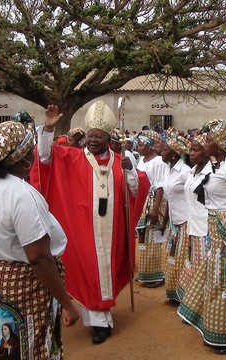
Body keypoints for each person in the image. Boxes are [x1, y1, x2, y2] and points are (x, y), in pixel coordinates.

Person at [0, 120, 79, 359]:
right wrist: (67, 303)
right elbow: (39, 258)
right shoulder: (21, 195)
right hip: (21, 284)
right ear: (24, 159)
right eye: (31, 147)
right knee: (29, 345)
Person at [35, 102, 148, 344]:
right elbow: (45, 157)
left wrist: (130, 171)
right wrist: (47, 129)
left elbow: (136, 189)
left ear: (109, 138)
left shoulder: (121, 160)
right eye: (90, 135)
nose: (93, 140)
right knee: (88, 270)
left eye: (99, 136)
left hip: (113, 231)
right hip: (83, 229)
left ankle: (101, 315)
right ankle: (99, 322)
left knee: (106, 270)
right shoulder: (72, 157)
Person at [178, 119, 226, 355]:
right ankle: (215, 328)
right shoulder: (218, 165)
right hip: (216, 227)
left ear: (220, 146)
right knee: (216, 278)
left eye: (210, 140)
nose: (206, 142)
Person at [177, 135, 211, 301]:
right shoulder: (192, 172)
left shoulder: (211, 174)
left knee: (203, 270)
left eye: (196, 150)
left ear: (207, 152)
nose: (191, 153)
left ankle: (201, 304)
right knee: (194, 266)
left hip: (205, 230)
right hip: (192, 227)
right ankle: (193, 302)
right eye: (190, 149)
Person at [160, 128, 191, 302]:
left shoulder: (185, 172)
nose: (161, 152)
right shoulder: (167, 170)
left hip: (186, 221)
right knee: (171, 257)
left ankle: (184, 296)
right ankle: (173, 293)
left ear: (174, 154)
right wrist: (164, 220)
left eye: (165, 150)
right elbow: (169, 198)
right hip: (174, 222)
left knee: (182, 259)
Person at [135, 129, 168, 288]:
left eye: (141, 144)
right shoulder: (142, 160)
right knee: (142, 236)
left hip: (154, 201)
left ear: (149, 146)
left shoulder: (159, 162)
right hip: (143, 201)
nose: (138, 147)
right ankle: (144, 273)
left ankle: (156, 275)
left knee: (152, 237)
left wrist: (155, 209)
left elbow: (160, 186)